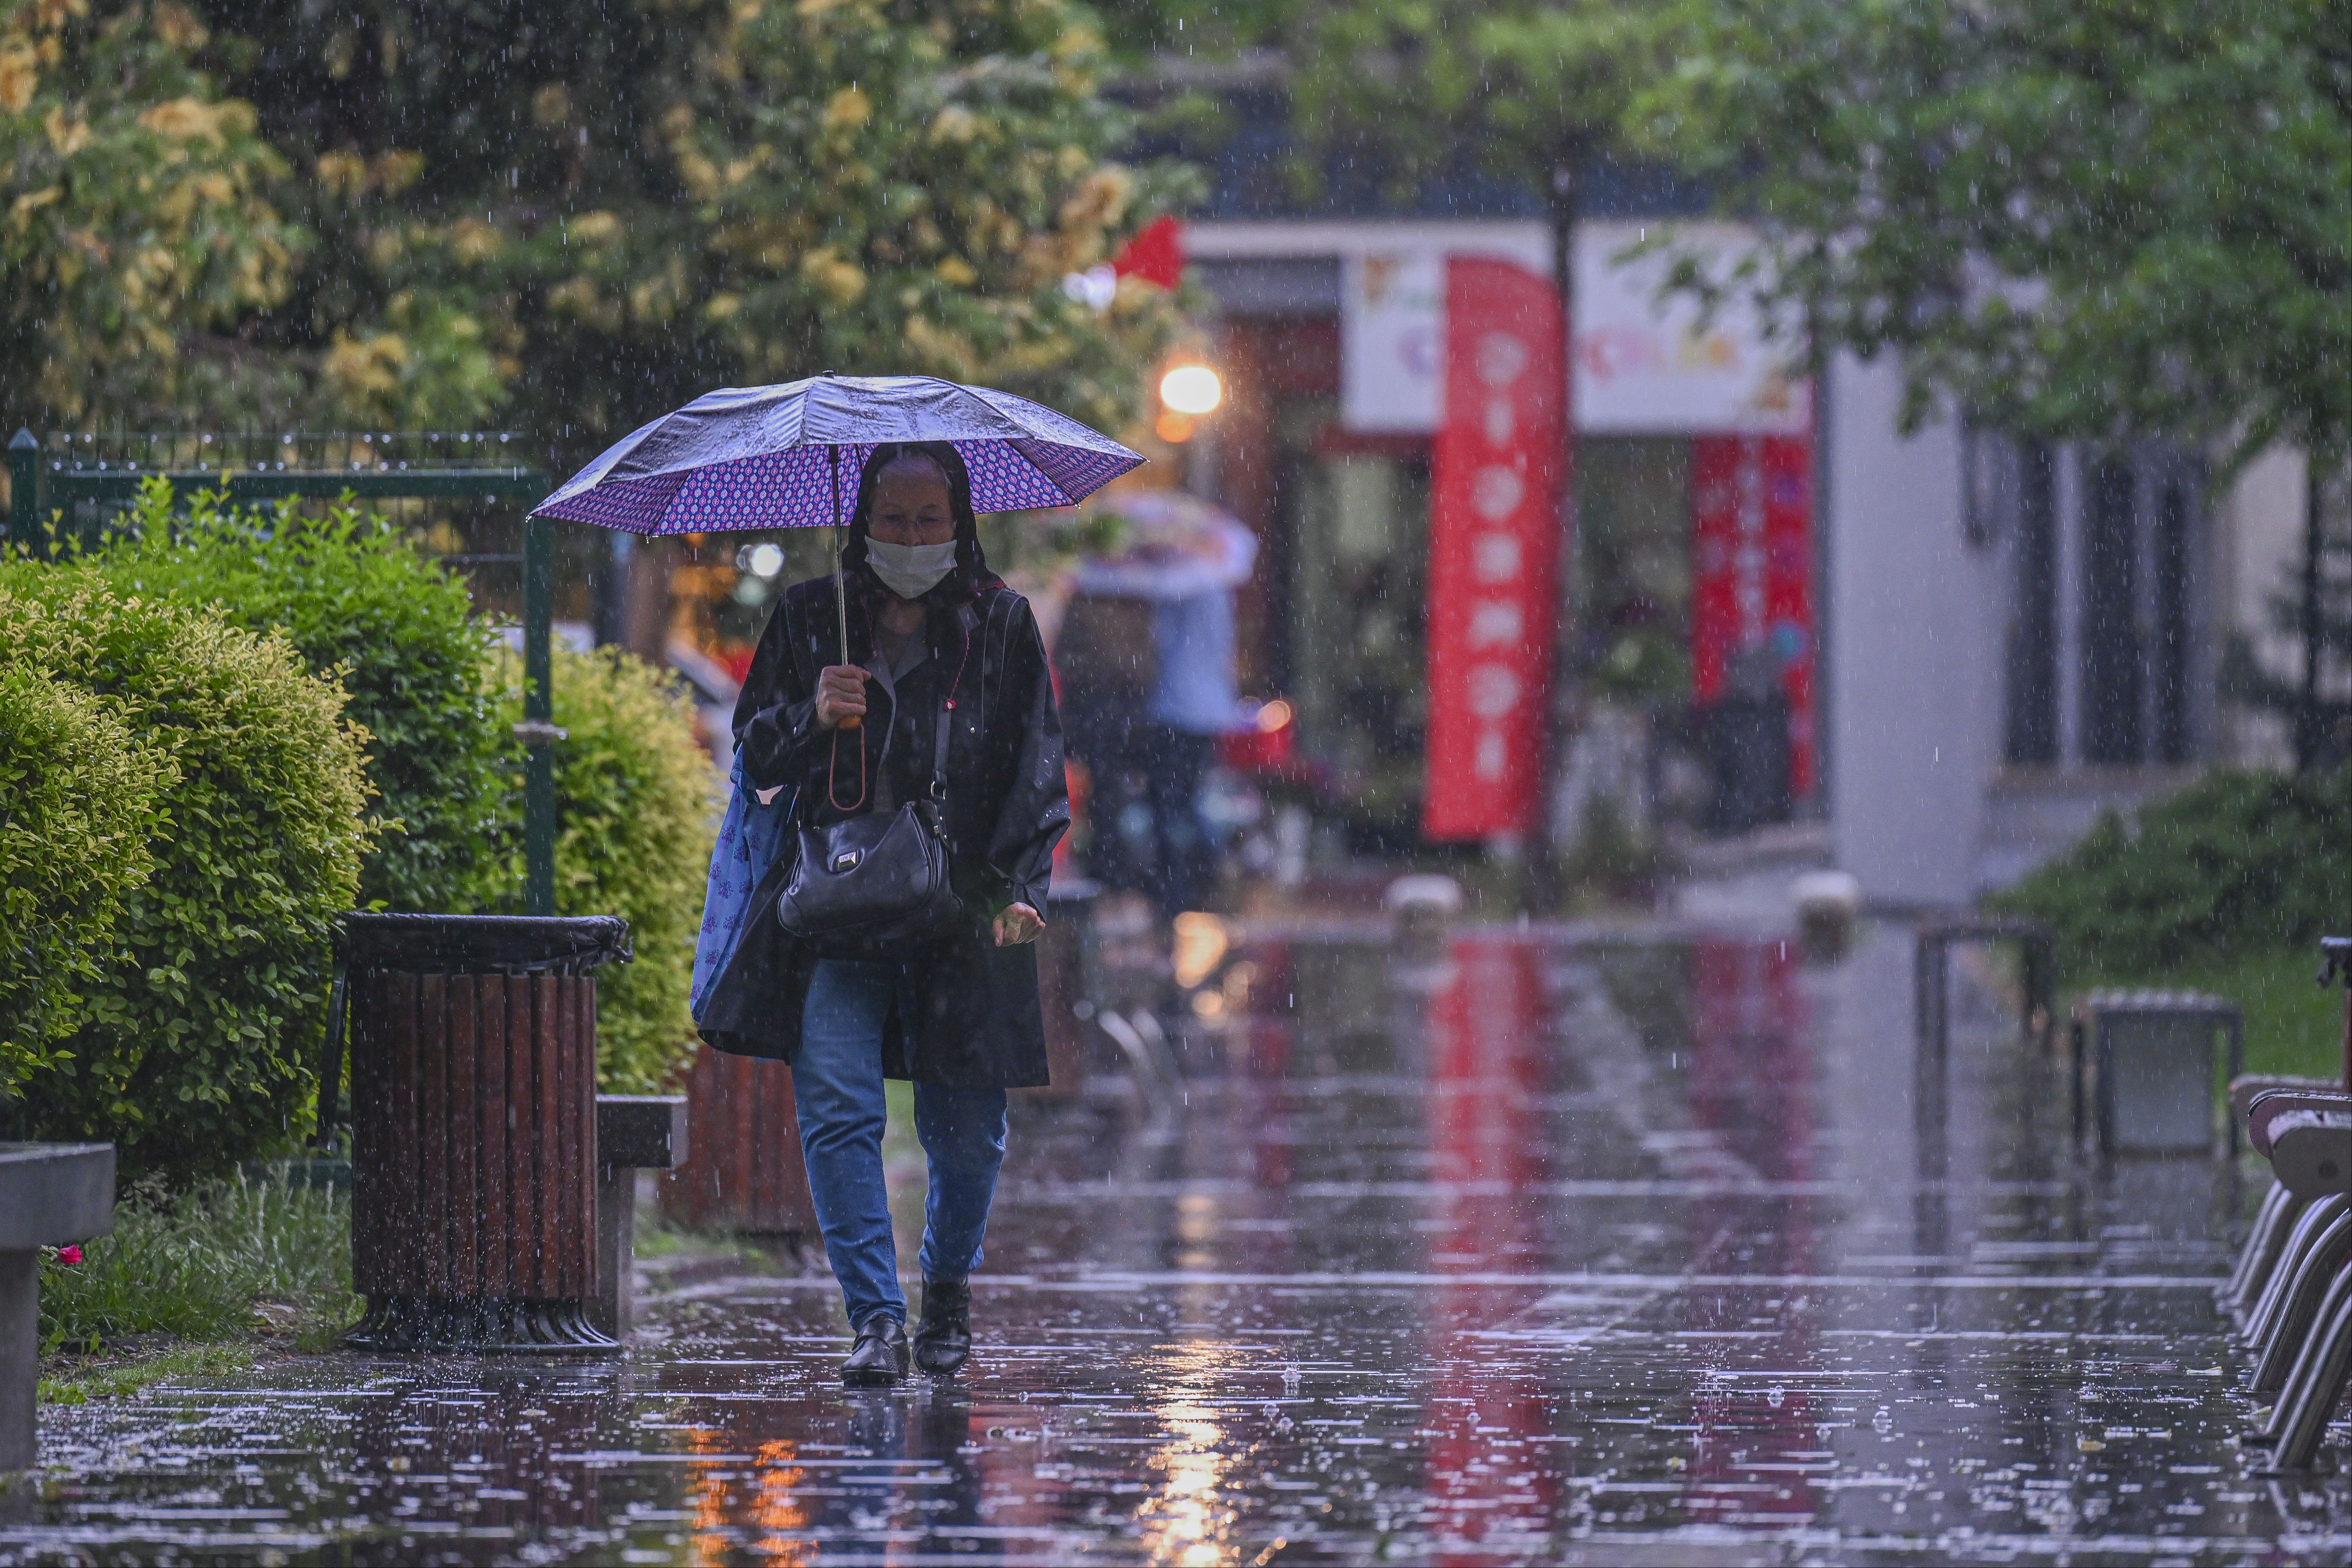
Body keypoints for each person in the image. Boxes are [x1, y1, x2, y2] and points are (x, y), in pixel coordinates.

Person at [697, 441, 1069, 1385]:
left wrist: (1025, 887)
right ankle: (875, 1318)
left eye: (927, 520)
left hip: (966, 906)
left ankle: (946, 1286)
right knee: (835, 1107)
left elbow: (1035, 763)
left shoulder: (1003, 623)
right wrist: (809, 715)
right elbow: (758, 758)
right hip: (837, 899)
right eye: (893, 519)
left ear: (959, 524)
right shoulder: (810, 617)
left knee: (967, 1128)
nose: (909, 537)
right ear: (862, 518)